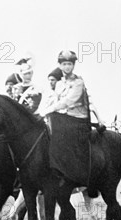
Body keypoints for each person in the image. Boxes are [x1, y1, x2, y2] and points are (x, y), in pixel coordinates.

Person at [36, 50, 105, 185]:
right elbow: (54, 100)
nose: (67, 67)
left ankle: (63, 168)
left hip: (79, 119)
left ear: (73, 65)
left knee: (55, 124)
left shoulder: (79, 82)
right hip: (65, 117)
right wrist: (40, 112)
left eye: (70, 64)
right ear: (60, 65)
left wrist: (48, 111)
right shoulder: (60, 84)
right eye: (64, 64)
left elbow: (67, 101)